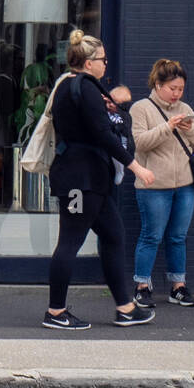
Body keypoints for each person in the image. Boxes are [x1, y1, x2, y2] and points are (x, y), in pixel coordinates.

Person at [44, 30, 157, 331]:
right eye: (103, 60)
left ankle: (126, 307)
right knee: (70, 241)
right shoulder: (87, 89)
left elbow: (85, 123)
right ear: (88, 61)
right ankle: (56, 312)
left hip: (89, 179)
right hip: (82, 180)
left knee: (114, 235)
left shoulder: (66, 87)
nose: (106, 65)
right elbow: (102, 134)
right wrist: (136, 167)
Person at [130, 59, 194, 308]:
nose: (177, 94)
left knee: (178, 237)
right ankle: (142, 286)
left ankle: (178, 287)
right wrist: (167, 126)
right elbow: (139, 143)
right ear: (158, 84)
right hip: (153, 185)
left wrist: (190, 128)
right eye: (172, 88)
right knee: (151, 236)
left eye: (181, 88)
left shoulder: (185, 107)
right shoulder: (141, 108)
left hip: (184, 185)